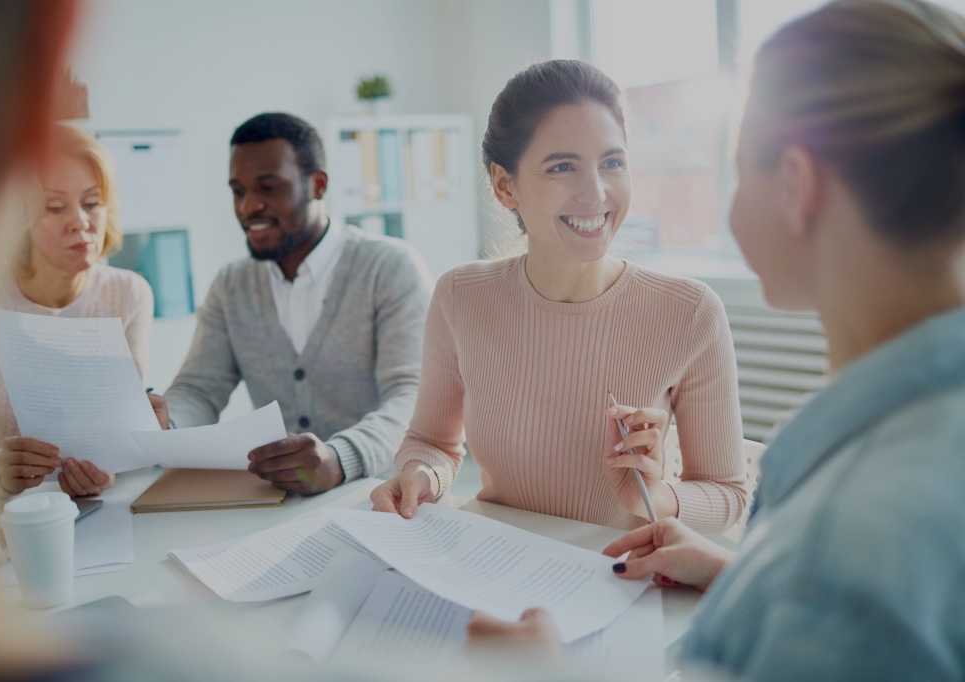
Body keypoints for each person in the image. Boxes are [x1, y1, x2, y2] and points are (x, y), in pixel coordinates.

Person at [468, 1, 965, 679]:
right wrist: (742, 573)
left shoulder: (848, 542)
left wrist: (549, 672)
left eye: (736, 164)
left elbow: (843, 592)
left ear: (798, 186)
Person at [371, 60, 747, 534]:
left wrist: (660, 495)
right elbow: (431, 442)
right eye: (562, 166)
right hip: (494, 559)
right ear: (505, 186)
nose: (596, 192)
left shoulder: (691, 312)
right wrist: (420, 476)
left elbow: (729, 494)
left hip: (615, 576)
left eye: (612, 162)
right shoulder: (459, 297)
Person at [159, 113, 432, 496]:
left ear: (317, 185)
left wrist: (340, 458)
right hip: (280, 502)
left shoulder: (389, 267)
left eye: (268, 187)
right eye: (238, 191)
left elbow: (412, 396)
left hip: (380, 494)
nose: (248, 207)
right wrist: (168, 423)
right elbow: (200, 389)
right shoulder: (232, 285)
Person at [0, 123, 155, 499]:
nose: (81, 221)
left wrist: (111, 470)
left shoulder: (128, 293)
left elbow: (124, 439)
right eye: (55, 208)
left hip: (100, 512)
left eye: (92, 203)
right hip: (3, 519)